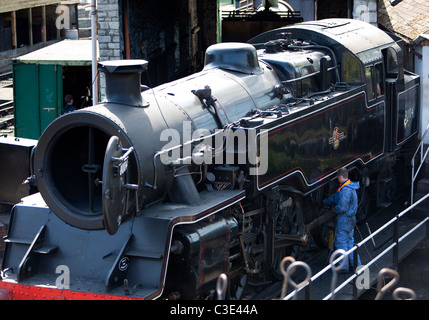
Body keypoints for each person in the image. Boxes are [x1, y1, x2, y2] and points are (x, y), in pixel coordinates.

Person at [323, 167, 362, 272]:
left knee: (341, 243)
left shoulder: (345, 190)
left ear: (340, 177)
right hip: (351, 219)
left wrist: (334, 209)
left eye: (337, 177)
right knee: (350, 242)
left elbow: (342, 207)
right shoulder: (349, 187)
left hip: (344, 220)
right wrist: (326, 201)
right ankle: (357, 265)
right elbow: (335, 197)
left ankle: (343, 266)